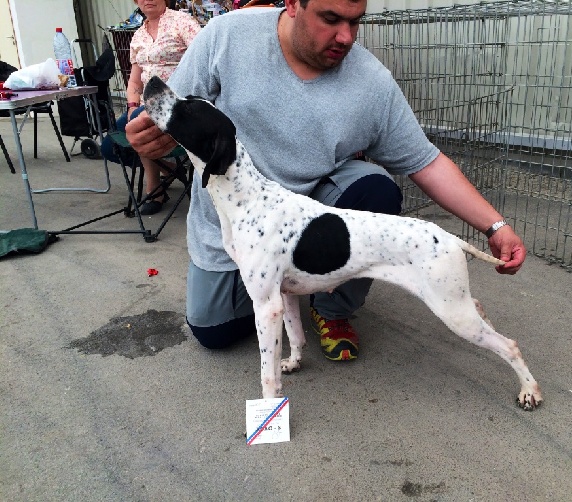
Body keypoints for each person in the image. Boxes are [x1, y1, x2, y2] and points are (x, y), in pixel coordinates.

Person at [127, 0, 527, 360]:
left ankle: (331, 306)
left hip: (313, 210)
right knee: (214, 332)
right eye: (331, 18)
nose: (345, 37)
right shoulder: (227, 36)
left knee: (374, 185)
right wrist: (150, 137)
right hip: (235, 223)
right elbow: (172, 112)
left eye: (356, 22)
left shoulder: (371, 81)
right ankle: (289, 286)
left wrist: (496, 226)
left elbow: (426, 162)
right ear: (293, 4)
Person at [101, 0, 200, 215]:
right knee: (110, 147)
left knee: (139, 120)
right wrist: (131, 105)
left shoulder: (182, 22)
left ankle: (154, 188)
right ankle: (171, 169)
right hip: (147, 106)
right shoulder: (138, 36)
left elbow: (203, 60)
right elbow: (135, 82)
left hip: (180, 105)